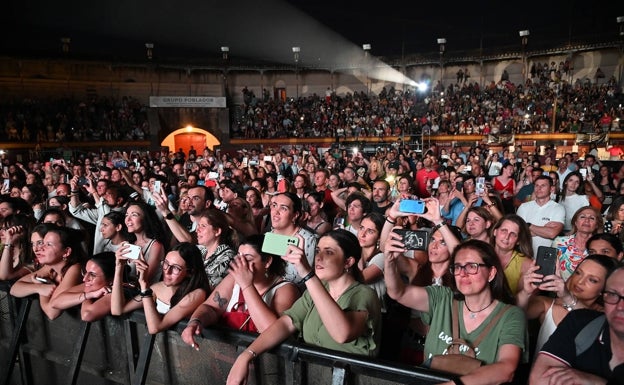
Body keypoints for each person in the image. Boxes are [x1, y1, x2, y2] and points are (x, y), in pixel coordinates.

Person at [226, 230, 382, 384]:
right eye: (317, 251)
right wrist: (247, 355)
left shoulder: (365, 294)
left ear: (348, 262)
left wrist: (307, 274)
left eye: (329, 252)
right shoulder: (316, 290)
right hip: (314, 377)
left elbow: (342, 334)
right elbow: (285, 324)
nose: (319, 258)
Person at [384, 238, 526, 385]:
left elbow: (506, 369)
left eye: (472, 266)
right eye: (458, 267)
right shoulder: (442, 298)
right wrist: (389, 262)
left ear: (491, 273)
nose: (462, 273)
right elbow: (398, 293)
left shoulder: (510, 315)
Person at [181, 234, 300, 349]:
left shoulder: (286, 289)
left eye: (248, 259)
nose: (240, 263)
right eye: (238, 257)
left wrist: (246, 285)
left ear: (267, 261)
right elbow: (211, 307)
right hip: (227, 352)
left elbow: (272, 332)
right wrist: (195, 321)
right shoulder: (233, 279)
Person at [529, 266, 624, 385]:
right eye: (613, 294)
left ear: (601, 289)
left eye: (592, 280)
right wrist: (526, 291)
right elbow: (540, 379)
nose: (620, 307)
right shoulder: (578, 321)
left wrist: (597, 382)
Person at [518, 254, 619, 354]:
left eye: (592, 280)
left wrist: (568, 297)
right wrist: (525, 292)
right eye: (578, 273)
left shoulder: (605, 317)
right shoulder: (547, 304)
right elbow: (513, 314)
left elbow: (595, 329)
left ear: (605, 289)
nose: (580, 281)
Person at [111, 242, 209, 334]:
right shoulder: (158, 288)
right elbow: (117, 310)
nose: (167, 271)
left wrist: (144, 286)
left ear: (190, 272)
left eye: (175, 268)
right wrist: (119, 266)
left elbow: (155, 328)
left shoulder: (197, 294)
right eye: (166, 263)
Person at [10, 225, 85, 320]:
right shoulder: (49, 267)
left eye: (48, 244)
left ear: (66, 252)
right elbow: (14, 289)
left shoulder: (75, 269)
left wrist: (43, 290)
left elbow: (52, 312)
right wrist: (40, 287)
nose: (40, 248)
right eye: (43, 243)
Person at [48, 252, 117, 322]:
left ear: (111, 280)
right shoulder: (92, 285)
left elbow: (86, 315)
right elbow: (55, 303)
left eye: (92, 275)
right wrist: (91, 294)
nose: (85, 279)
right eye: (85, 272)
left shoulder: (116, 291)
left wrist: (88, 294)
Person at [267, 192, 317, 283]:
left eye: (283, 208)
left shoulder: (307, 240)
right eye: (274, 205)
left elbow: (304, 280)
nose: (276, 212)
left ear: (295, 215)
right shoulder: (268, 236)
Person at [120, 201, 167, 285]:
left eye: (134, 215)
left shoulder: (156, 246)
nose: (128, 219)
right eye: (126, 215)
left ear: (146, 218)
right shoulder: (129, 243)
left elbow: (146, 278)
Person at [517, 175, 565, 255]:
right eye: (537, 185)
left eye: (543, 185)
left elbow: (552, 233)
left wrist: (528, 225)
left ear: (551, 189)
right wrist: (544, 229)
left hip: (546, 256)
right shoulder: (524, 207)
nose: (539, 188)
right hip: (524, 255)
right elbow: (518, 232)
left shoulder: (558, 208)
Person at [552, 206, 603, 281]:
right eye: (582, 217)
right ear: (575, 222)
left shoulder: (600, 247)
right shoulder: (559, 242)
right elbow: (551, 267)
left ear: (597, 225)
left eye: (592, 218)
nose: (587, 220)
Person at [490, 215, 534, 295]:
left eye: (513, 234)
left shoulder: (527, 264)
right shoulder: (481, 254)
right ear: (495, 232)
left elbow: (523, 302)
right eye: (504, 231)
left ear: (518, 241)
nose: (507, 237)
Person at [194, 209, 237, 288]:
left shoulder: (227, 257)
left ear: (217, 231)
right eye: (198, 225)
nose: (197, 230)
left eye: (203, 226)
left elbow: (206, 287)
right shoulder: (199, 250)